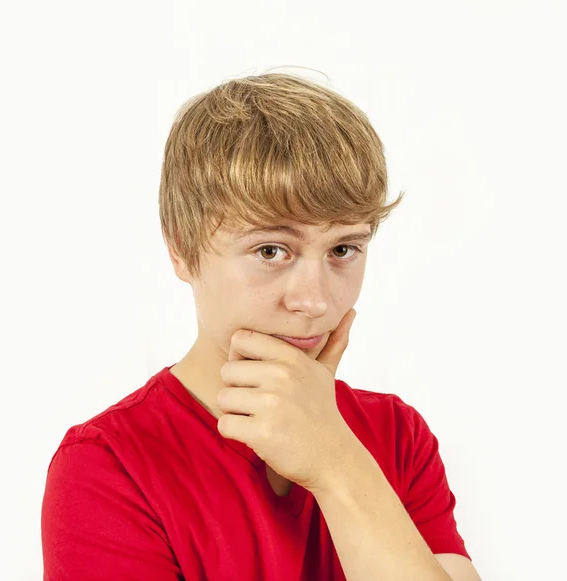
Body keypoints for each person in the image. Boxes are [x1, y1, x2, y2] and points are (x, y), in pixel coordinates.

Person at [41, 72, 482, 581]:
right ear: (182, 249)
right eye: (271, 250)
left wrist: (337, 464)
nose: (315, 300)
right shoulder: (108, 465)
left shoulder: (396, 436)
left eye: (344, 249)